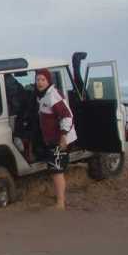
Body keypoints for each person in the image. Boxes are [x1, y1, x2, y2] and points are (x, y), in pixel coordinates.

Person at [35, 68, 77, 209]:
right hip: (51, 139)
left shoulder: (53, 95)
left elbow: (67, 115)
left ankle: (60, 203)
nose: (39, 82)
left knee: (57, 170)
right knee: (54, 169)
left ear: (48, 81)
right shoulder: (42, 95)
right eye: (37, 79)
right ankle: (60, 200)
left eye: (43, 79)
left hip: (60, 139)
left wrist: (64, 135)